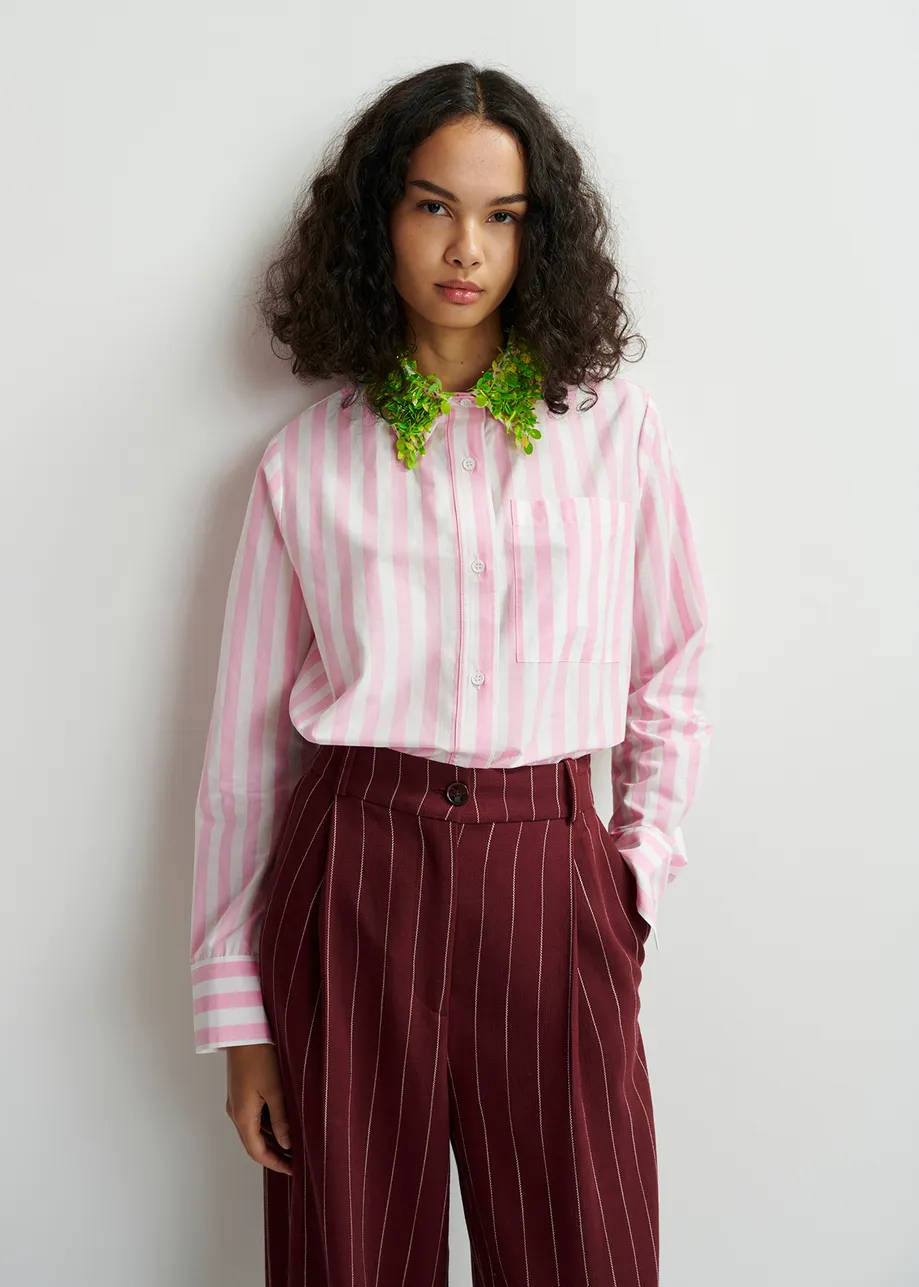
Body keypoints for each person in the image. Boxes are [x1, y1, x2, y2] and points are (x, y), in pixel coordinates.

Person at [189, 60, 713, 1287]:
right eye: (432, 206)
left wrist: (630, 883)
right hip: (353, 876)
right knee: (349, 1257)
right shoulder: (306, 462)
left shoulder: (613, 431)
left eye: (502, 215)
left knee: (583, 1248)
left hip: (552, 874)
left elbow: (673, 670)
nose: (465, 248)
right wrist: (241, 1019)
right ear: (381, 220)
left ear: (541, 235)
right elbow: (243, 756)